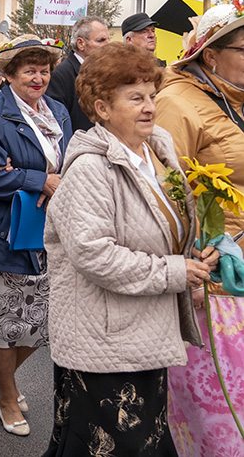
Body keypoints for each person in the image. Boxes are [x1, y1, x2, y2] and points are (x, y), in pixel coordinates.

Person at [42, 42, 218, 456]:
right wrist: (175, 272)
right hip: (104, 344)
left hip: (144, 334)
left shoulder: (156, 151)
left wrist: (195, 255)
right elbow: (94, 255)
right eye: (135, 98)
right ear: (102, 108)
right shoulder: (89, 168)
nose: (149, 107)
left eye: (152, 95)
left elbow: (164, 230)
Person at [0, 35, 69, 437]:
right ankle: (8, 397)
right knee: (7, 321)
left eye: (44, 70)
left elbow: (71, 161)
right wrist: (39, 179)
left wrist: (27, 175)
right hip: (3, 231)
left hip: (50, 230)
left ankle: (1, 370)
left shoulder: (58, 111)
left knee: (46, 321)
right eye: (29, 70)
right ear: (9, 75)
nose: (38, 77)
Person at [154, 3, 244, 456]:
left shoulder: (233, 99)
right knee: (216, 405)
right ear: (211, 55)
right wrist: (184, 269)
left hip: (238, 270)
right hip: (210, 275)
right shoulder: (177, 103)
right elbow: (165, 193)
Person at [46, 16, 110, 131]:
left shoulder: (106, 72)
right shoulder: (61, 75)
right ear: (81, 43)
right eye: (101, 40)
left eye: (108, 40)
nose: (108, 45)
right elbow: (58, 124)